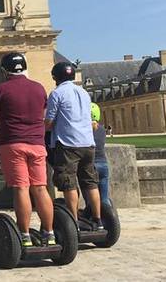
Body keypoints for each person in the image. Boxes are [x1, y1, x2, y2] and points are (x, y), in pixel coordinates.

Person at [0, 52, 55, 247]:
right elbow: (41, 114)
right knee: (41, 188)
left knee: (21, 188)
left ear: (4, 71)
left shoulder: (0, 90)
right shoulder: (39, 88)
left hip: (13, 144)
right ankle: (49, 233)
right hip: (37, 144)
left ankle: (24, 235)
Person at [45, 62, 103, 229]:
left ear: (56, 77)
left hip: (68, 144)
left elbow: (49, 122)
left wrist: (42, 127)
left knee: (68, 182)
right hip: (88, 144)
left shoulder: (57, 93)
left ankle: (74, 221)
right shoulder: (84, 93)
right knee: (90, 182)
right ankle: (98, 220)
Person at [90, 102, 111, 206]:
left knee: (90, 198)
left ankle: (93, 218)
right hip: (103, 164)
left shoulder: (84, 130)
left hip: (91, 165)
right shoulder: (102, 129)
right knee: (104, 198)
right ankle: (108, 218)